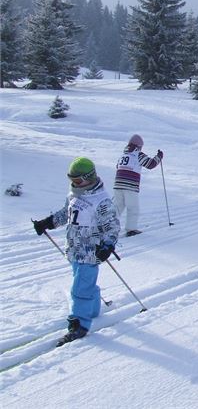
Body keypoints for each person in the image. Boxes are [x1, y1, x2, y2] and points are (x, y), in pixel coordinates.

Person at [33, 157, 120, 346]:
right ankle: (93, 309)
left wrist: (107, 246)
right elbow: (66, 214)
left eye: (78, 180)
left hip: (92, 252)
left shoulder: (101, 201)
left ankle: (79, 324)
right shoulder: (74, 194)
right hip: (74, 250)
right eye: (71, 179)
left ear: (89, 178)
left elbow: (112, 227)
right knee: (84, 283)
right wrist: (47, 222)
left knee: (79, 289)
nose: (74, 183)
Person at [112, 134, 163, 237]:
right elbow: (150, 164)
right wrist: (159, 157)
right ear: (138, 146)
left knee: (117, 206)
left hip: (118, 185)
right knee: (133, 207)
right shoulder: (138, 155)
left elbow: (118, 166)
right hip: (130, 186)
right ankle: (131, 229)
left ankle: (109, 227)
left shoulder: (123, 155)